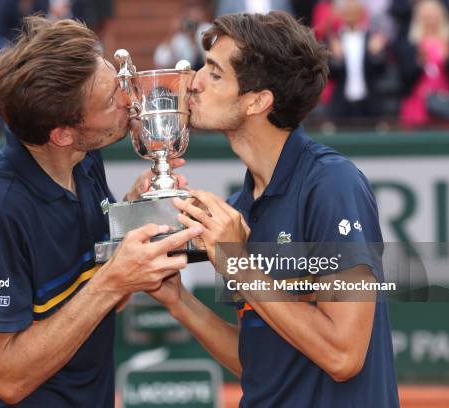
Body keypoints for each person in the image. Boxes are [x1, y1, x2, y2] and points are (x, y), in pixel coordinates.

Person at [148, 12, 400, 407]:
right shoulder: (241, 206)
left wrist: (239, 266)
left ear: (258, 101)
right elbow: (263, 362)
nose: (192, 82)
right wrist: (179, 302)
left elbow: (343, 355)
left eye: (214, 74)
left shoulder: (333, 186)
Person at [0, 16, 202, 407]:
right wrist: (113, 280)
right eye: (109, 100)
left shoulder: (83, 160)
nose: (128, 99)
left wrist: (133, 217)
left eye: (118, 81)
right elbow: (6, 378)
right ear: (63, 133)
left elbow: (99, 302)